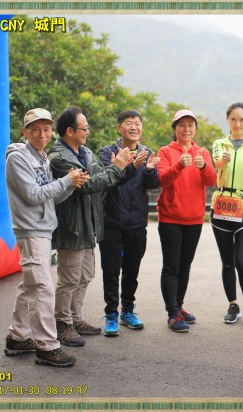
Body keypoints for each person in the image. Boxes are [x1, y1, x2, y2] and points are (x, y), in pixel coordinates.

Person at [4, 108, 89, 367]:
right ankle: (47, 347)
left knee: (30, 284)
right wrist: (65, 181)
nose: (42, 134)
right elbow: (33, 195)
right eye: (36, 129)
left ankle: (17, 338)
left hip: (42, 229)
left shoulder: (41, 157)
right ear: (25, 132)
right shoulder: (17, 159)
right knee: (42, 287)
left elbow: (50, 197)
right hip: (30, 230)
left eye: (46, 129)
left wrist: (72, 185)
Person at [48, 106, 134, 347]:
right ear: (69, 131)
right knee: (69, 279)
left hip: (89, 226)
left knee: (85, 276)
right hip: (71, 227)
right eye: (84, 128)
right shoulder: (58, 157)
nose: (87, 131)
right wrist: (116, 168)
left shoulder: (85, 152)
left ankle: (76, 319)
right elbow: (87, 185)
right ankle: (62, 323)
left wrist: (116, 167)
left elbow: (98, 176)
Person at [98, 109, 160, 337]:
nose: (134, 127)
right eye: (128, 123)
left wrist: (150, 171)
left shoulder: (147, 153)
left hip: (136, 222)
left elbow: (152, 185)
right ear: (119, 128)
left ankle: (128, 311)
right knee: (111, 270)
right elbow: (107, 181)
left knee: (132, 270)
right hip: (112, 221)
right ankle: (111, 314)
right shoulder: (107, 153)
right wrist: (132, 167)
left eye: (137, 123)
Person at [157, 109, 217, 332]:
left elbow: (211, 180)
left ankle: (179, 306)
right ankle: (172, 313)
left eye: (190, 125)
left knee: (185, 266)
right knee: (171, 266)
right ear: (175, 129)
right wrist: (180, 165)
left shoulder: (202, 152)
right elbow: (162, 179)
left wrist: (203, 167)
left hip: (194, 219)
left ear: (195, 129)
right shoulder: (165, 152)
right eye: (182, 125)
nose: (186, 129)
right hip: (170, 218)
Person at [211, 102, 243, 330]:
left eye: (242, 119)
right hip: (222, 205)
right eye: (233, 119)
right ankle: (233, 305)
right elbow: (217, 165)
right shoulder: (219, 144)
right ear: (227, 120)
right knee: (227, 262)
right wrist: (222, 161)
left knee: (241, 260)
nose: (237, 123)